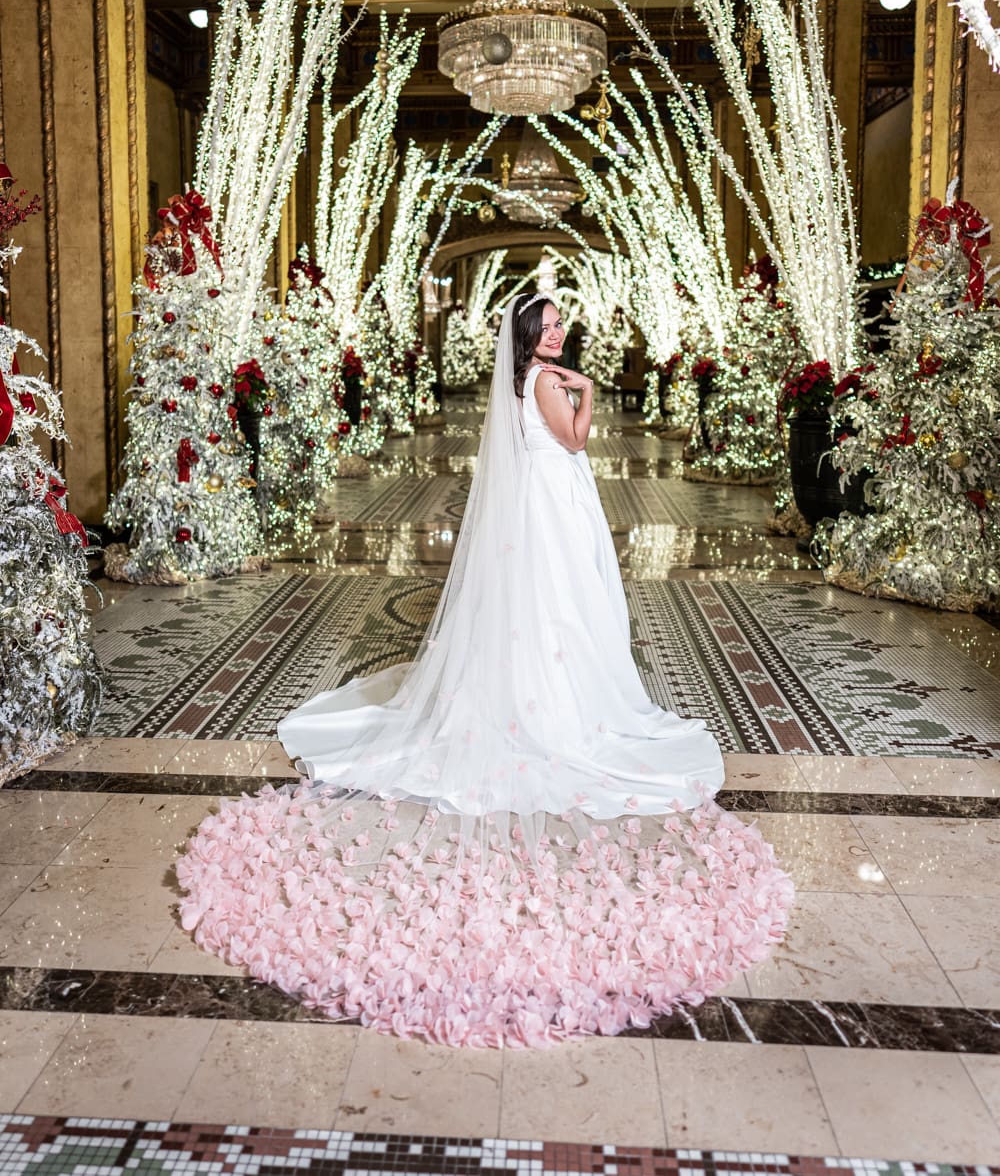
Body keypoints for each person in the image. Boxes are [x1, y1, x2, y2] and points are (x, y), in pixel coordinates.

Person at [179, 293, 792, 1047]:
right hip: (555, 503)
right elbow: (574, 441)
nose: (561, 332)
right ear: (531, 336)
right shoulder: (545, 382)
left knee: (546, 607)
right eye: (552, 324)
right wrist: (586, 391)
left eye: (563, 323)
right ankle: (551, 704)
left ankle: (535, 687)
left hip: (544, 505)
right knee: (564, 605)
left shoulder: (518, 383)